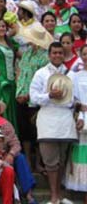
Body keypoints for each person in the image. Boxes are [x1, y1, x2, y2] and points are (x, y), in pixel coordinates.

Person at [30, 41, 83, 204]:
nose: (57, 55)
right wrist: (49, 96)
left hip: (65, 119)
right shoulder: (40, 73)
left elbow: (77, 100)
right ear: (49, 54)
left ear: (63, 54)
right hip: (47, 118)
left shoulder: (71, 74)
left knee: (61, 159)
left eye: (60, 53)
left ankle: (59, 195)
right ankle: (53, 196)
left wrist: (80, 116)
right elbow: (33, 97)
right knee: (50, 161)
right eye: (54, 53)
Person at [15, 24, 51, 169]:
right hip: (21, 96)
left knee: (36, 129)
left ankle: (38, 162)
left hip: (34, 99)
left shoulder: (44, 57)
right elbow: (21, 74)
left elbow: (42, 82)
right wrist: (19, 92)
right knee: (24, 130)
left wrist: (29, 95)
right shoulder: (27, 53)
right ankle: (29, 159)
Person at [65, 44, 87, 201]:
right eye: (85, 54)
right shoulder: (74, 76)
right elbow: (70, 99)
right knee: (81, 150)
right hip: (81, 117)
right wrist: (79, 110)